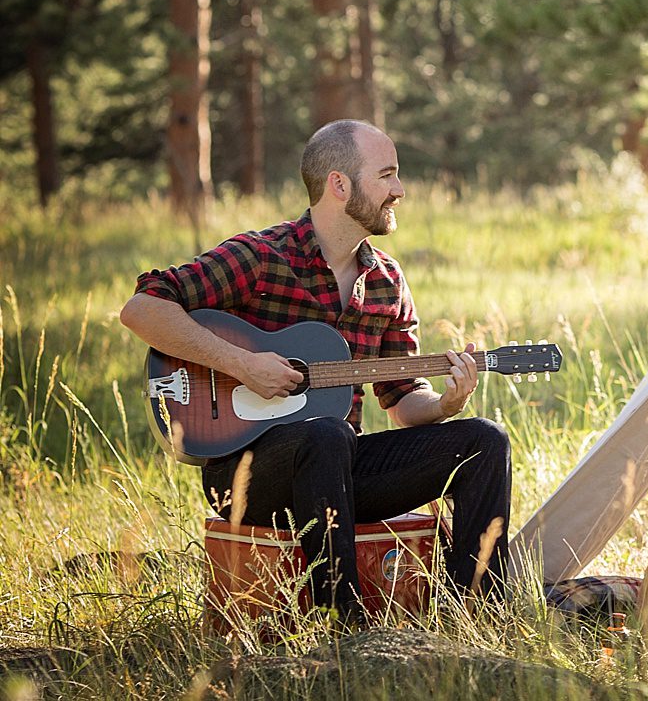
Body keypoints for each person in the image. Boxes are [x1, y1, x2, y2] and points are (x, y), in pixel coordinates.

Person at [120, 119, 510, 622]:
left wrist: (444, 404)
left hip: (341, 473)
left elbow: (401, 401)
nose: (400, 189)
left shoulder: (387, 281)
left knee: (484, 439)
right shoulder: (261, 256)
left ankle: (476, 612)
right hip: (244, 476)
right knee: (326, 433)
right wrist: (242, 364)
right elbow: (143, 309)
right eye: (386, 175)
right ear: (339, 184)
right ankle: (342, 621)